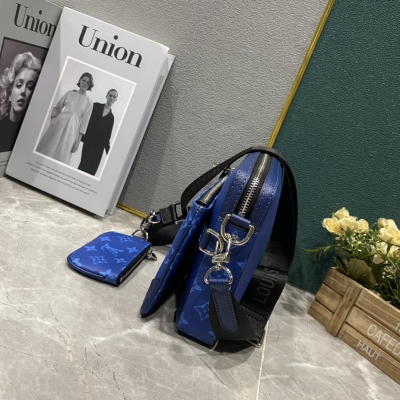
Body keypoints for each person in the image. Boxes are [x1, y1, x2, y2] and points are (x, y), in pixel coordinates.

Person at [36, 72, 94, 164]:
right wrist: (53, 120)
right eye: (84, 80)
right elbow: (57, 108)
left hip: (72, 131)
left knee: (62, 157)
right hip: (57, 125)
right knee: (46, 150)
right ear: (80, 80)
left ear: (90, 85)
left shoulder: (89, 102)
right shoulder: (70, 93)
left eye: (88, 82)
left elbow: (84, 124)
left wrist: (77, 142)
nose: (85, 83)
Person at [0, 52, 42, 152]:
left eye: (30, 87)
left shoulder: (32, 135)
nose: (23, 91)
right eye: (19, 85)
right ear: (10, 92)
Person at [78, 89, 118, 175]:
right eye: (110, 95)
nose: (111, 98)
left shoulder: (111, 117)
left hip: (99, 148)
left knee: (91, 171)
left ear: (116, 99)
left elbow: (107, 137)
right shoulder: (96, 106)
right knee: (83, 166)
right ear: (106, 96)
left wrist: (108, 152)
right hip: (88, 143)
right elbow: (84, 117)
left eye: (114, 97)